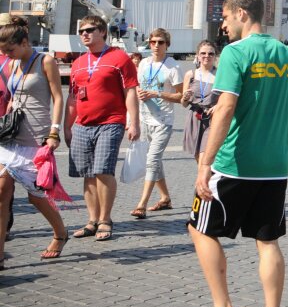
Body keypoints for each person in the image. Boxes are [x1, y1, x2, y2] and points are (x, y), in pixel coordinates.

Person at [189, 0, 288, 307]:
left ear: (242, 14)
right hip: (274, 166)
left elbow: (226, 108)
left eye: (226, 17)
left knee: (199, 229)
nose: (223, 25)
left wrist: (204, 164)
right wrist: (267, 107)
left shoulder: (235, 53)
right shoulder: (286, 53)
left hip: (234, 162)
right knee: (267, 241)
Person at [0, 14, 69, 264]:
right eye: (4, 51)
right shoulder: (11, 64)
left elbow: (58, 97)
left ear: (25, 42)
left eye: (10, 49)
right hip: (11, 136)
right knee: (1, 192)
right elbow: (12, 95)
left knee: (35, 196)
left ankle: (60, 233)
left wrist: (54, 131)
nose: (7, 54)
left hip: (37, 135)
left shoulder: (45, 61)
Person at [65, 14, 139, 244]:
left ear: (103, 32)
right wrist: (67, 126)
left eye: (89, 30)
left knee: (103, 170)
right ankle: (92, 219)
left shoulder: (119, 58)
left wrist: (133, 121)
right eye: (81, 31)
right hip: (82, 125)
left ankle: (105, 219)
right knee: (86, 173)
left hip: (111, 121)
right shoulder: (77, 63)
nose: (84, 34)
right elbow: (73, 98)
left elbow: (130, 92)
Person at [130, 28, 183, 219]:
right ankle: (165, 198)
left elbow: (181, 96)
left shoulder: (173, 67)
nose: (156, 45)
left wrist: (157, 93)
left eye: (161, 42)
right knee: (155, 160)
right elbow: (137, 86)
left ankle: (141, 204)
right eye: (153, 42)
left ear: (167, 45)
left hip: (163, 121)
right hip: (145, 119)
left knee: (151, 160)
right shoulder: (143, 63)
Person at [181, 41, 221, 163]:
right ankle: (204, 181)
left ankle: (202, 182)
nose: (206, 56)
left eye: (210, 53)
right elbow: (184, 104)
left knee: (205, 158)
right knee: (198, 157)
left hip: (212, 119)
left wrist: (218, 106)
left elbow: (226, 98)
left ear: (215, 56)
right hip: (194, 119)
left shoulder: (220, 75)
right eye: (203, 53)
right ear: (197, 56)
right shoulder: (190, 75)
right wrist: (185, 98)